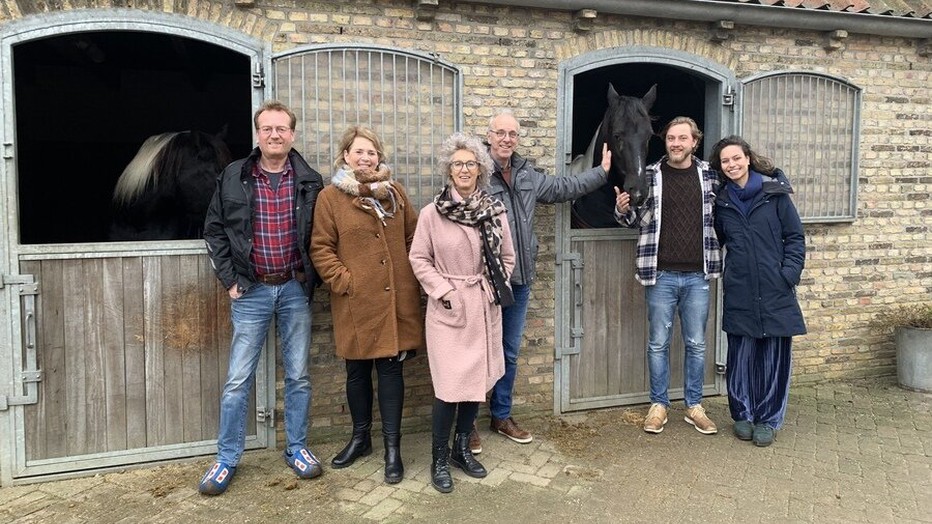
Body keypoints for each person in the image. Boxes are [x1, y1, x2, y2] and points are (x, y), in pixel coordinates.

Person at [200, 100, 325, 495]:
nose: (275, 135)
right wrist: (229, 281)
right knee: (238, 379)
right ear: (258, 133)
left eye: (282, 129)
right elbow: (214, 230)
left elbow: (321, 238)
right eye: (267, 128)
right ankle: (227, 458)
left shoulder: (309, 180)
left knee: (299, 376)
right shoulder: (233, 175)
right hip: (251, 289)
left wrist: (311, 281)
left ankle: (297, 448)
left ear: (292, 134)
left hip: (292, 287)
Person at [476, 110, 611, 452]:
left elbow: (564, 187)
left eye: (513, 134)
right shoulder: (473, 173)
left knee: (508, 351)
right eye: (501, 133)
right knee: (476, 352)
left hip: (519, 281)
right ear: (489, 136)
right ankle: (465, 425)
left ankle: (501, 415)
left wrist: (602, 173)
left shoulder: (526, 174)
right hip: (482, 283)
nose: (507, 139)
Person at [310, 126, 424, 483]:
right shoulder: (330, 198)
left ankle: (393, 449)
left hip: (395, 300)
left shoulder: (395, 193)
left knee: (391, 373)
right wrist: (346, 281)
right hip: (355, 302)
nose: (366, 158)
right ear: (346, 155)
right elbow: (321, 248)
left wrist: (408, 273)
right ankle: (361, 439)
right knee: (356, 374)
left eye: (371, 152)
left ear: (379, 157)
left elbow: (413, 237)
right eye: (359, 151)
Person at [409, 132, 516, 493]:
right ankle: (438, 458)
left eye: (471, 163)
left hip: (483, 306)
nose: (465, 169)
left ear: (480, 169)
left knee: (475, 385)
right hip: (449, 309)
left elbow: (507, 258)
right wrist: (444, 291)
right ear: (448, 170)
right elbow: (419, 259)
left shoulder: (494, 210)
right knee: (449, 386)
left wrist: (488, 288)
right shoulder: (431, 213)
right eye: (458, 164)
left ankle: (460, 450)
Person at [614, 116, 721, 435]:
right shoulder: (649, 174)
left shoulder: (709, 176)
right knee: (658, 343)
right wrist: (622, 209)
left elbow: (723, 216)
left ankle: (694, 406)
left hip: (697, 275)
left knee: (697, 343)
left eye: (682, 138)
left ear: (694, 142)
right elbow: (635, 220)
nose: (676, 143)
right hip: (660, 275)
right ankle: (659, 404)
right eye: (671, 138)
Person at [710, 135, 806, 447]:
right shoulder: (722, 203)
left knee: (773, 357)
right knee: (741, 355)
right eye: (725, 161)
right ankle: (742, 414)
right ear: (721, 167)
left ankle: (768, 419)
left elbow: (795, 236)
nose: (732, 164)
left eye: (736, 158)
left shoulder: (774, 194)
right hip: (740, 288)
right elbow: (720, 240)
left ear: (748, 158)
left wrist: (788, 273)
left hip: (775, 286)